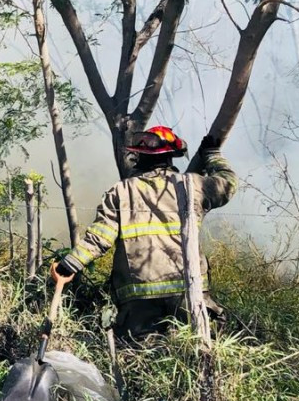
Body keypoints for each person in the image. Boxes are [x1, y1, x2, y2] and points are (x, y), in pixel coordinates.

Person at [51, 127, 237, 340]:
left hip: (139, 299)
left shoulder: (121, 191)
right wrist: (212, 155)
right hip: (188, 292)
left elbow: (100, 237)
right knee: (195, 351)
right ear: (171, 157)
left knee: (140, 358)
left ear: (138, 157)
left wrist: (69, 265)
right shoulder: (193, 185)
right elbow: (228, 183)